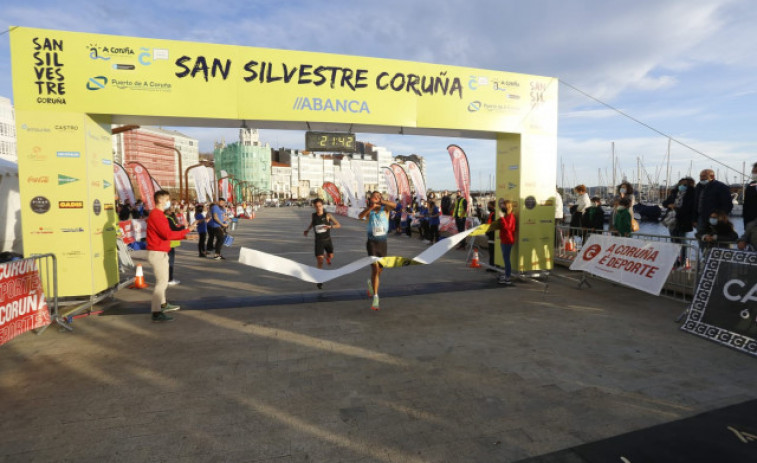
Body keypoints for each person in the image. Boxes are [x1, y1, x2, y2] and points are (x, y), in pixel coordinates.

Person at [146, 190, 196, 322]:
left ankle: (163, 304)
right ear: (161, 200)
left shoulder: (159, 214)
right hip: (157, 252)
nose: (170, 202)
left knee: (163, 281)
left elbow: (168, 233)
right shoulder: (157, 215)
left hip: (161, 251)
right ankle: (156, 312)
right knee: (161, 283)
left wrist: (187, 231)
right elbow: (167, 234)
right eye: (168, 199)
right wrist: (186, 234)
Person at [358, 191, 397, 311]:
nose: (376, 198)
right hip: (371, 243)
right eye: (374, 197)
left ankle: (371, 283)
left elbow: (395, 206)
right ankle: (376, 296)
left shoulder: (385, 209)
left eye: (378, 197)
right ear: (370, 199)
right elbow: (360, 216)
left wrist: (381, 202)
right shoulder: (369, 210)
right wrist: (370, 208)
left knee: (379, 270)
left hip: (382, 244)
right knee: (374, 268)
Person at [303, 198, 341, 289]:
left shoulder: (328, 215)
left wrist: (330, 226)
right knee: (320, 260)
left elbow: (338, 225)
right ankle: (319, 279)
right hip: (318, 241)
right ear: (314, 207)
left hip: (327, 240)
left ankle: (328, 257)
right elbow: (313, 223)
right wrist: (308, 230)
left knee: (331, 256)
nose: (318, 208)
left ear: (322, 206)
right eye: (316, 206)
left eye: (320, 206)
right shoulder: (313, 215)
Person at [662, 177, 696, 267]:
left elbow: (691, 208)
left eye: (685, 184)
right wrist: (669, 205)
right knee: (674, 241)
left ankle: (685, 261)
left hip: (684, 221)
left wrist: (677, 208)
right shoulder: (674, 193)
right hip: (672, 220)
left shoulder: (692, 195)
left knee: (683, 242)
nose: (682, 186)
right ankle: (675, 260)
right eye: (680, 184)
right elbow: (664, 203)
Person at [494, 199, 516, 285]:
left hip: (508, 240)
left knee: (506, 259)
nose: (502, 207)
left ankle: (508, 277)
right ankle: (507, 275)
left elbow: (508, 228)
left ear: (507, 207)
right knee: (505, 258)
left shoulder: (510, 217)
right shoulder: (507, 216)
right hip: (504, 239)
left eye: (503, 205)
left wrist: (502, 218)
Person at [165, 205, 185, 285]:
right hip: (170, 243)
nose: (173, 211)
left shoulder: (165, 217)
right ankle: (169, 279)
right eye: (172, 210)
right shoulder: (168, 219)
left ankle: (166, 278)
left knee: (167, 261)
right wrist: (183, 227)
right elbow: (174, 228)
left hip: (167, 242)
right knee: (170, 262)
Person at [743, 162, 757, 228]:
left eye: (755, 172)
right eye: (753, 172)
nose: (754, 174)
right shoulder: (750, 185)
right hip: (750, 223)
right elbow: (746, 206)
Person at [485, 200, 497, 271]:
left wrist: (489, 233)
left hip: (492, 235)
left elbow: (493, 225)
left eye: (489, 205)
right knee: (491, 251)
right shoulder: (492, 214)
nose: (488, 207)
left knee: (492, 251)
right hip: (490, 234)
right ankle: (491, 266)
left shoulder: (494, 214)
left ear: (492, 206)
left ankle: (493, 267)